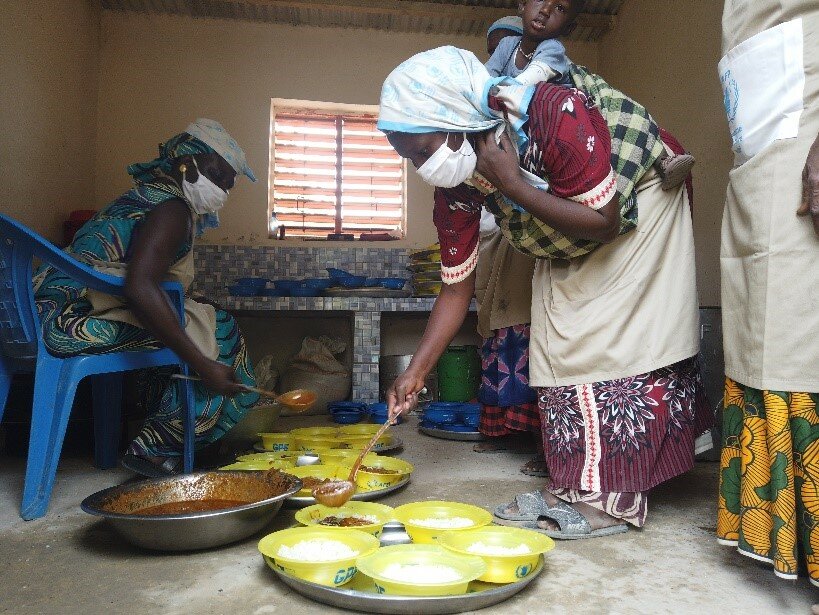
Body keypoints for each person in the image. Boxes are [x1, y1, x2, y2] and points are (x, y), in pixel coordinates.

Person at [379, 46, 709, 538]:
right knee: (555, 340)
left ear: (456, 119)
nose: (421, 168)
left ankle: (612, 497)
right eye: (409, 159)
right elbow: (455, 288)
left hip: (638, 200)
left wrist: (510, 182)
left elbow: (603, 220)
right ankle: (580, 482)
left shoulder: (551, 112)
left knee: (605, 335)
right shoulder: (457, 184)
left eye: (423, 152)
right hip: (571, 220)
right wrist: (416, 373)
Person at [33, 119, 259, 477]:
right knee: (221, 332)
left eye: (229, 185)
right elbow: (140, 287)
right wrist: (205, 366)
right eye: (218, 176)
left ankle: (162, 435)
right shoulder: (172, 210)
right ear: (187, 162)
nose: (223, 190)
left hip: (41, 314)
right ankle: (157, 447)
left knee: (195, 321)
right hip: (71, 323)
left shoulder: (146, 195)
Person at [716, 0, 819, 587]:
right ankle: (773, 537)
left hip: (802, 144)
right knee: (757, 333)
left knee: (796, 335)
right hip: (758, 159)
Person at [487, 0, 695, 190]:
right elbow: (483, 79)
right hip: (529, 125)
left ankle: (662, 158)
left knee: (624, 115)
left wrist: (491, 93)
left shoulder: (552, 49)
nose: (545, 10)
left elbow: (525, 83)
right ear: (522, 5)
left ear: (568, 27)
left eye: (559, 8)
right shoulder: (507, 46)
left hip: (570, 117)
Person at [474, 16, 544, 477]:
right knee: (499, 335)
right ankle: (503, 429)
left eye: (514, 48)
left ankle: (537, 435)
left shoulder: (539, 107)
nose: (507, 58)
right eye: (497, 50)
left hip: (529, 233)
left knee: (529, 336)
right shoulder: (480, 114)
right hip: (492, 238)